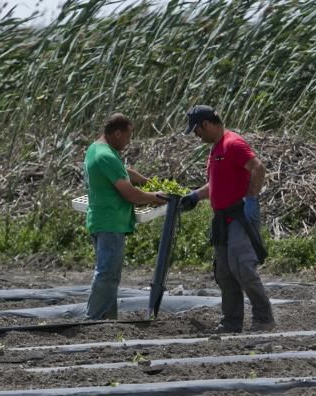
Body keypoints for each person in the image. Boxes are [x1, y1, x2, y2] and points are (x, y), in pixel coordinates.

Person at [181, 105, 275, 333]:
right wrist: (195, 195)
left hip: (239, 216)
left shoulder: (233, 144)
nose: (196, 135)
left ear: (206, 124)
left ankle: (264, 318)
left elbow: (258, 168)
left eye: (197, 130)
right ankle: (231, 322)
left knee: (242, 267)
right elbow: (216, 184)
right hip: (222, 219)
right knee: (224, 272)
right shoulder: (215, 150)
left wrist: (251, 199)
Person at [83, 113, 165, 320]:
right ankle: (94, 318)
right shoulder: (106, 156)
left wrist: (147, 182)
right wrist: (156, 197)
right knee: (107, 273)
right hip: (111, 221)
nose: (128, 142)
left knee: (110, 274)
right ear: (117, 133)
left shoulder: (97, 149)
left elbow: (123, 171)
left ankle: (107, 318)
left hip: (103, 219)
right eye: (127, 137)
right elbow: (131, 194)